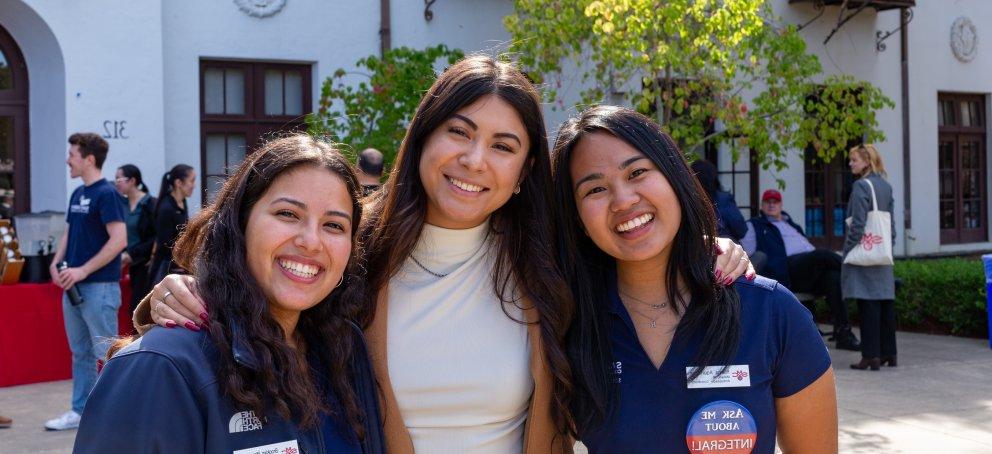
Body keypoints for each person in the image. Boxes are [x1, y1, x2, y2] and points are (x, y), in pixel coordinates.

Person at [134, 55, 752, 452]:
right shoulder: (355, 247)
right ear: (424, 135)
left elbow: (633, 251)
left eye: (503, 145)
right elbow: (268, 280)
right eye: (458, 131)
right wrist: (173, 294)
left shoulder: (548, 263)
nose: (474, 160)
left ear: (525, 169)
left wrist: (710, 248)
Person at [74, 135, 384, 453]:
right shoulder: (162, 367)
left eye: (334, 225)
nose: (311, 241)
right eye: (288, 214)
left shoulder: (345, 353)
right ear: (240, 224)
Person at [553, 106, 837, 453]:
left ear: (674, 176)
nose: (624, 200)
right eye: (595, 189)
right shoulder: (568, 324)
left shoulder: (770, 313)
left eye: (637, 172)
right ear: (578, 219)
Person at [44, 132, 127, 431]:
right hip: (74, 287)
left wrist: (82, 270)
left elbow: (119, 240)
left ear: (89, 159)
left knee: (106, 353)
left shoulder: (107, 194)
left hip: (99, 287)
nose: (68, 160)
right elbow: (69, 232)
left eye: (72, 154)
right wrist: (55, 262)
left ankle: (116, 414)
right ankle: (81, 411)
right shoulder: (78, 194)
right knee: (80, 352)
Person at [742, 188, 861, 351]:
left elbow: (807, 248)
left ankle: (844, 333)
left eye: (775, 202)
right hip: (785, 270)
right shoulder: (754, 225)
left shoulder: (792, 225)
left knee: (832, 277)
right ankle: (858, 273)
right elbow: (749, 256)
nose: (771, 205)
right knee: (823, 254)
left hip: (808, 268)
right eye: (767, 202)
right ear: (761, 205)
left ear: (781, 204)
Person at [844, 144, 897, 371]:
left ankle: (870, 355)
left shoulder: (860, 186)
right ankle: (889, 353)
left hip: (864, 253)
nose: (850, 164)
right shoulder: (885, 185)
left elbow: (858, 223)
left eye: (854, 160)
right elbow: (892, 226)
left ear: (866, 161)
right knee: (885, 304)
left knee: (868, 304)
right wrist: (888, 246)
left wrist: (848, 249)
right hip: (882, 253)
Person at [114, 164, 157, 314]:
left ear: (132, 181)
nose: (117, 182)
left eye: (120, 178)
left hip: (145, 264)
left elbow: (156, 238)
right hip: (128, 264)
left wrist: (131, 255)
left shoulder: (150, 204)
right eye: (116, 179)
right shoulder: (121, 204)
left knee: (139, 308)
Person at [149, 164, 195, 286]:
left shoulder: (182, 202)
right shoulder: (166, 208)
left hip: (178, 263)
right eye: (192, 180)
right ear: (178, 183)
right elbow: (165, 243)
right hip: (166, 268)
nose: (194, 185)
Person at [690, 159, 747, 241]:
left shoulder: (688, 201)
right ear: (714, 177)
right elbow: (741, 230)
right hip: (723, 248)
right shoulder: (724, 200)